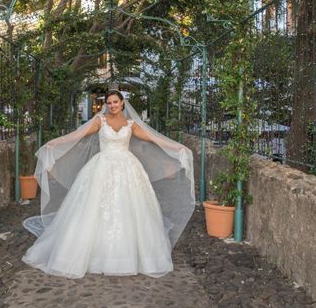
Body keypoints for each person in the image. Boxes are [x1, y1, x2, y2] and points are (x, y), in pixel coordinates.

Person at [22, 90, 194, 279]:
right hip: (101, 168)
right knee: (91, 208)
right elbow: (77, 135)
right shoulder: (100, 121)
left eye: (115, 102)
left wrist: (177, 147)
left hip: (128, 169)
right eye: (109, 102)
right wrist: (56, 142)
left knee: (130, 209)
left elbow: (153, 138)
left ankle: (128, 257)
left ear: (122, 103)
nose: (112, 105)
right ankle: (83, 255)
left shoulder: (131, 124)